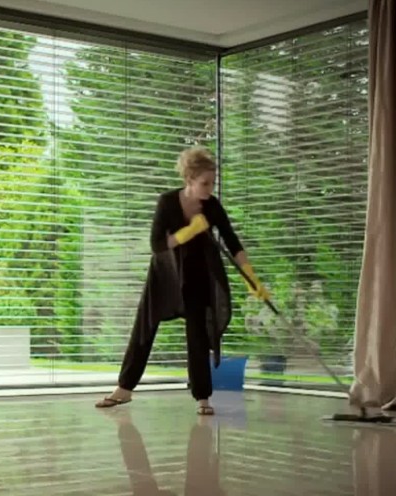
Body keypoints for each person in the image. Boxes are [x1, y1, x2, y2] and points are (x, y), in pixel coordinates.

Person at [95, 146, 269, 415]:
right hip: (165, 275)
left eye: (213, 182)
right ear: (189, 179)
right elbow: (156, 245)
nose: (210, 188)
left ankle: (203, 398)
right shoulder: (167, 202)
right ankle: (124, 389)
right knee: (144, 329)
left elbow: (232, 242)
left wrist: (251, 277)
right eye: (205, 183)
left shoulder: (212, 206)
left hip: (197, 276)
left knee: (198, 336)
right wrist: (189, 231)